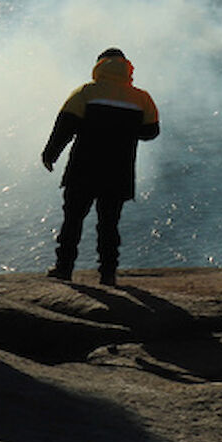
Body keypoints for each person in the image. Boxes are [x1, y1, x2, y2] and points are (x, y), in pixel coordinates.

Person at [42, 48, 161, 287]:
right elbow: (151, 131)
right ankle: (108, 274)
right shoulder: (141, 98)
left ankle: (64, 269)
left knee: (72, 220)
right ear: (127, 68)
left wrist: (50, 154)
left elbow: (65, 126)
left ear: (99, 66)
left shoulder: (86, 93)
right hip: (118, 172)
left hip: (83, 169)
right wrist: (125, 130)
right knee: (109, 224)